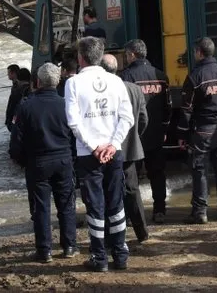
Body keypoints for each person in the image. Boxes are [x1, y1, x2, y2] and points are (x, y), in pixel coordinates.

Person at [64, 36, 134, 272]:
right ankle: (121, 253)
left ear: (81, 58)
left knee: (95, 207)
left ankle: (99, 257)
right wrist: (112, 145)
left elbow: (73, 122)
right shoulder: (116, 81)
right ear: (100, 55)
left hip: (88, 154)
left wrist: (94, 147)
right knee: (116, 203)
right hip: (114, 153)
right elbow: (128, 118)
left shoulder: (73, 83)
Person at [8, 63, 78, 263]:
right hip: (63, 159)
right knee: (66, 204)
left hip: (37, 162)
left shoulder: (26, 105)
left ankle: (44, 250)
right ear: (58, 82)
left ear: (37, 82)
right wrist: (72, 158)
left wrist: (22, 162)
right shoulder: (67, 104)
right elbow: (76, 135)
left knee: (41, 207)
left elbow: (16, 141)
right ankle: (69, 246)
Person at [177, 37, 217, 224]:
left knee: (200, 170)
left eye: (195, 52)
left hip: (203, 129)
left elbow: (186, 109)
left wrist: (182, 133)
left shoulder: (195, 77)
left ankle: (200, 212)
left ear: (199, 53)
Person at [121, 38, 172, 224]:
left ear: (132, 55)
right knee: (157, 173)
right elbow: (168, 107)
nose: (126, 58)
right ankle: (160, 210)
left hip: (133, 136)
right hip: (156, 133)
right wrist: (165, 127)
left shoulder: (126, 77)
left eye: (127, 55)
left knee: (131, 178)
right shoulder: (161, 75)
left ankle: (133, 214)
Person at [102, 54, 149, 243]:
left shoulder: (100, 91)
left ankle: (108, 236)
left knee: (107, 191)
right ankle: (142, 233)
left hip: (105, 150)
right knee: (132, 190)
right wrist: (134, 137)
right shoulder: (134, 89)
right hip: (129, 148)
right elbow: (144, 119)